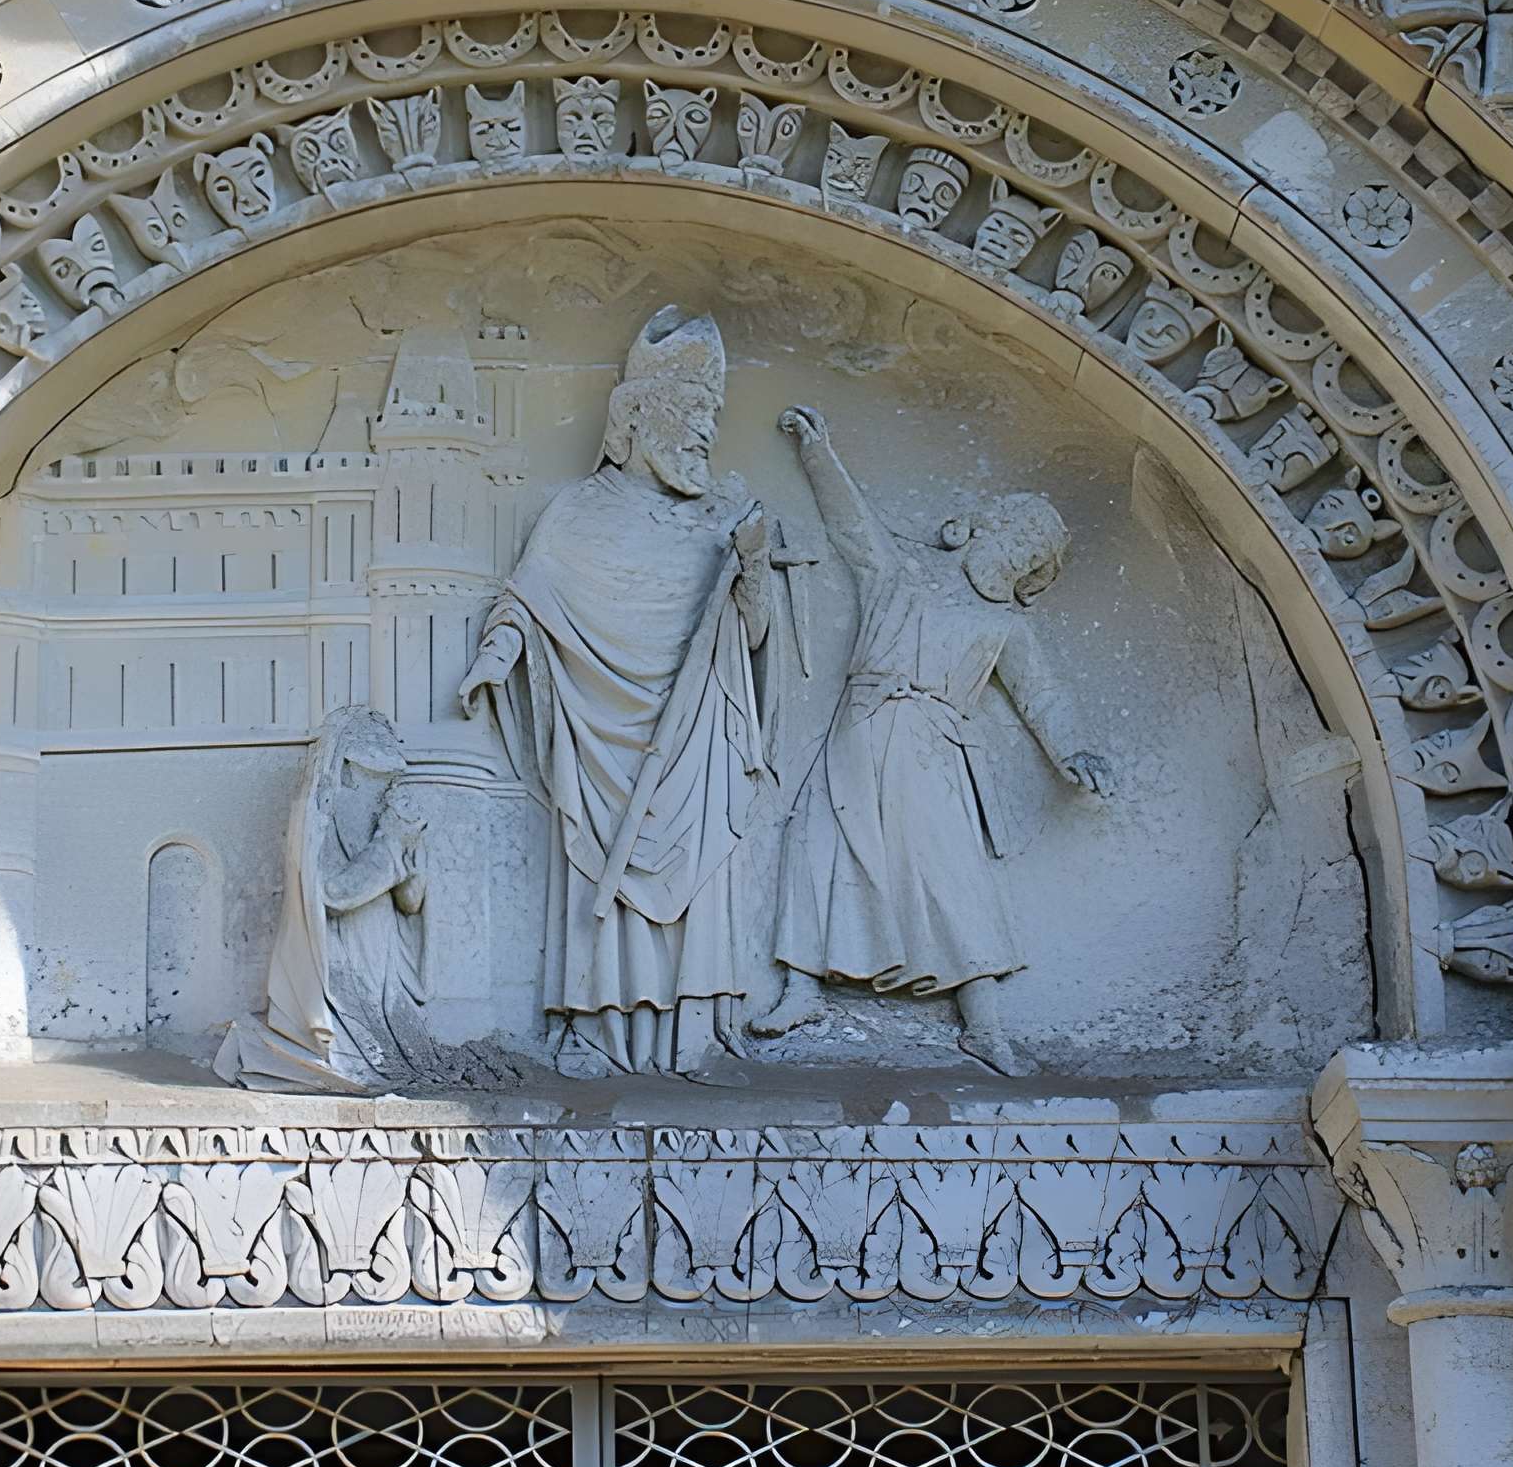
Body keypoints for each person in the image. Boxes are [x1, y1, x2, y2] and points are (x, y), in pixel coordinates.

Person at [458, 307, 790, 1076]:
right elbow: (526, 600)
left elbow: (753, 632)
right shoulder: (576, 513)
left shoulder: (722, 519)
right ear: (637, 418)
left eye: (712, 416)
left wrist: (754, 564)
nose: (706, 432)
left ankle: (698, 1033)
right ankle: (595, 1026)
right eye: (690, 414)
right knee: (595, 875)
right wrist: (490, 662)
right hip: (598, 729)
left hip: (696, 735)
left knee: (700, 879)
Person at [748, 404, 1111, 1075]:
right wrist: (819, 452)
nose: (1016, 556)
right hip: (861, 728)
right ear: (976, 530)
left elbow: (1044, 696)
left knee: (950, 869)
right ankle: (801, 988)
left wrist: (1073, 752)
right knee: (821, 841)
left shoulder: (1004, 626)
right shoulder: (901, 570)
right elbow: (851, 523)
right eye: (1013, 538)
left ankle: (984, 1021)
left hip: (931, 746)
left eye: (1031, 555)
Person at [213, 707, 430, 1092]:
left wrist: (407, 852)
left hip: (382, 963)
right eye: (373, 777)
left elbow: (410, 902)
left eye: (388, 778)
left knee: (401, 1061)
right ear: (347, 769)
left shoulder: (390, 821)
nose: (384, 789)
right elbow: (335, 892)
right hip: (339, 961)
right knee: (359, 1063)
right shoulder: (320, 814)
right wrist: (391, 846)